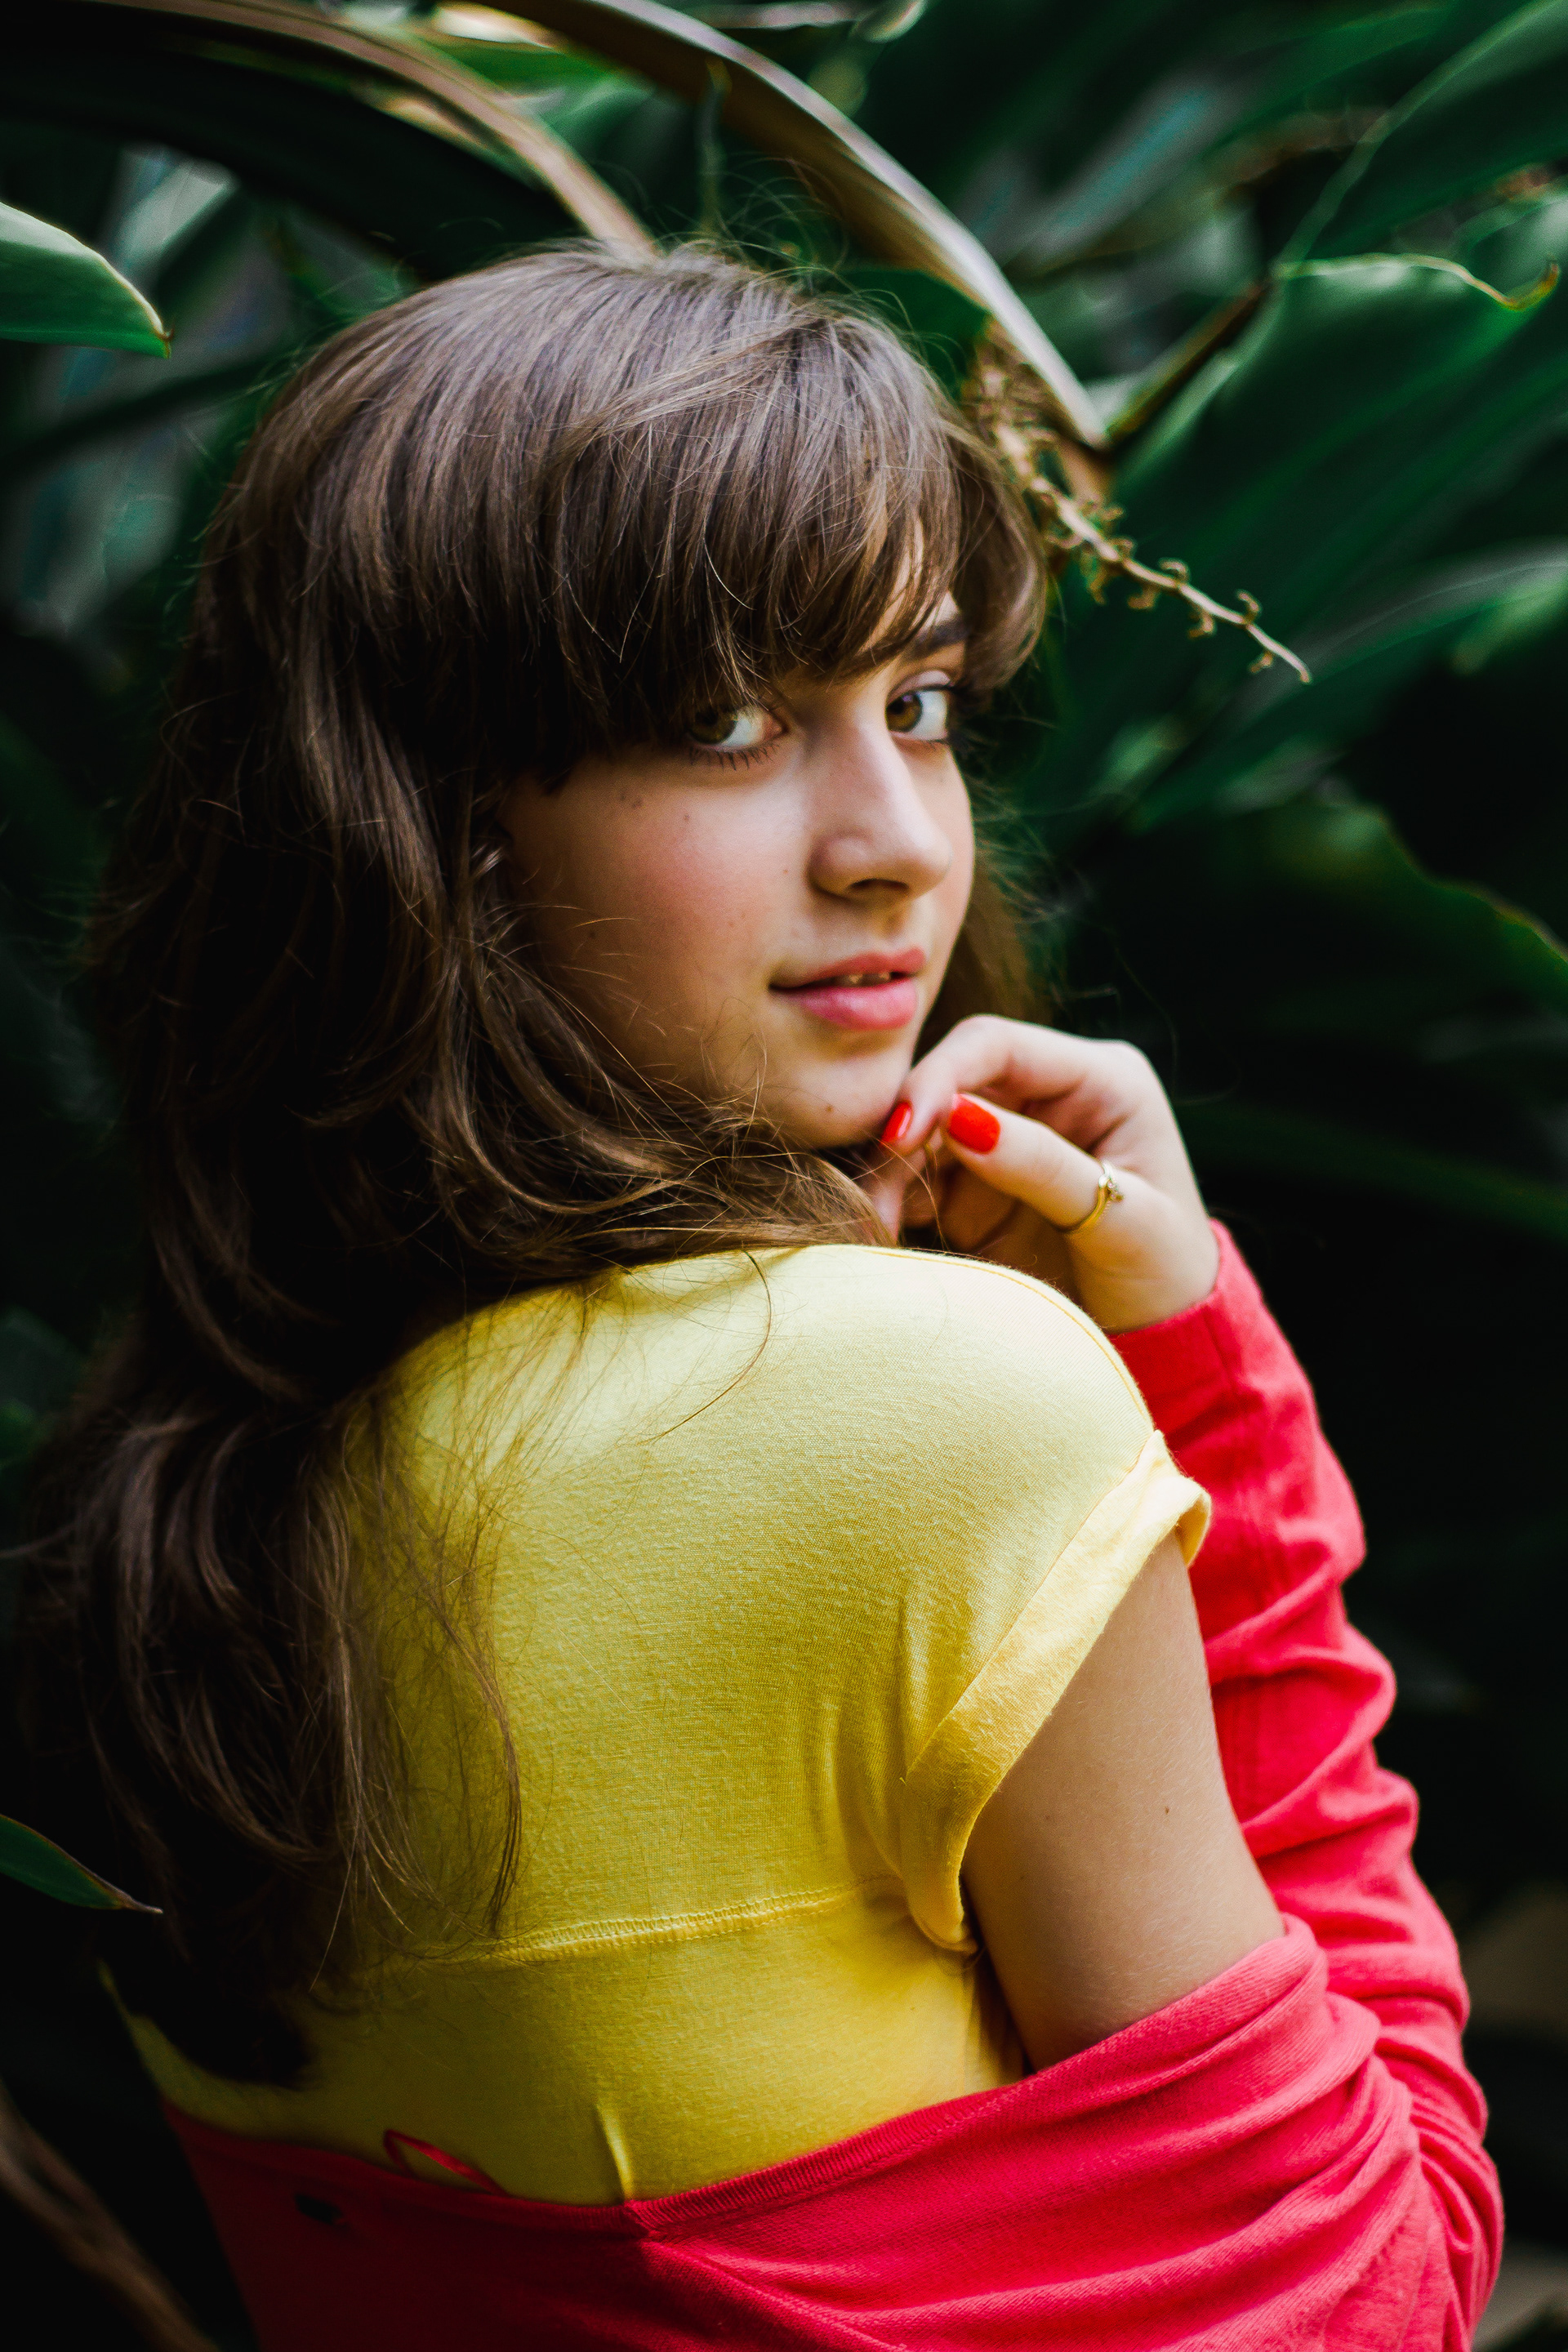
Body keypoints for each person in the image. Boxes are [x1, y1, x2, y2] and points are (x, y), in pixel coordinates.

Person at [18, 245, 1499, 2346]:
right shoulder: (925, 1412)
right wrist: (1202, 1378)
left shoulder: (154, 1529)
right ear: (432, 820)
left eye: (919, 703)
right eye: (724, 725)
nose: (895, 844)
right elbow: (1383, 2299)